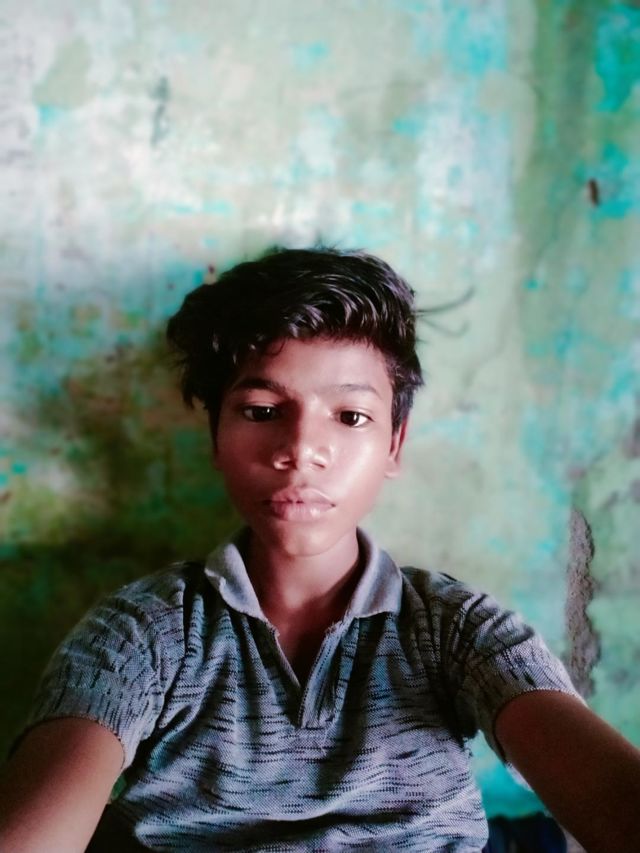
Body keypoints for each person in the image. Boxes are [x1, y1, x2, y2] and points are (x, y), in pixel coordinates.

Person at [1, 247, 639, 853]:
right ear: (215, 437)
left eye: (351, 416)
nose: (301, 450)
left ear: (394, 443)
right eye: (261, 410)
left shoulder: (456, 629)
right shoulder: (140, 635)